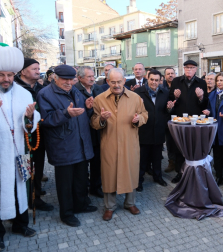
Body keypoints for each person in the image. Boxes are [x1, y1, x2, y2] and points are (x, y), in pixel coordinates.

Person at [0, 43, 39, 251]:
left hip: (19, 151)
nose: (6, 79)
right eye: (1, 75)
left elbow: (32, 121)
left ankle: (19, 225)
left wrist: (31, 116)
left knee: (21, 187)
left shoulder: (24, 94)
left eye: (10, 75)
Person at [37, 65, 97, 227]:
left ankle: (80, 205)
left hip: (81, 143)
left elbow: (81, 114)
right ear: (55, 77)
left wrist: (89, 108)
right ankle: (67, 213)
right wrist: (65, 113)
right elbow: (45, 120)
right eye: (65, 79)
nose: (69, 82)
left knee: (80, 179)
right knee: (65, 184)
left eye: (72, 79)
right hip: (62, 146)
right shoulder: (45, 94)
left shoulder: (75, 91)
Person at [91, 68, 148, 221]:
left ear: (124, 81)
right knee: (109, 175)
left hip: (130, 143)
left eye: (119, 81)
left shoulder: (135, 98)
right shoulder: (99, 99)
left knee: (130, 172)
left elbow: (144, 114)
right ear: (107, 81)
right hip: (109, 144)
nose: (116, 85)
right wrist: (102, 119)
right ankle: (110, 207)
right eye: (113, 82)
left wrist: (139, 120)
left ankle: (130, 203)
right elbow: (94, 123)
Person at [14, 58, 54, 211]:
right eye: (34, 69)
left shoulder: (41, 87)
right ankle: (23, 198)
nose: (38, 71)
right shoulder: (15, 87)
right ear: (23, 71)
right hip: (22, 137)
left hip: (39, 134)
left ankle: (35, 196)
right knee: (24, 168)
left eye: (38, 69)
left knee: (38, 166)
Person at [168, 59, 208, 183]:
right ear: (183, 69)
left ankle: (194, 172)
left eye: (191, 68)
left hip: (195, 121)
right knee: (179, 147)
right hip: (180, 120)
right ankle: (180, 173)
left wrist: (201, 97)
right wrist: (175, 97)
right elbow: (170, 101)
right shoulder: (176, 81)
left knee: (193, 146)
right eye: (186, 68)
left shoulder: (201, 82)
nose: (189, 70)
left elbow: (205, 104)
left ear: (196, 69)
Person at [135, 70, 173, 192]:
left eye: (157, 80)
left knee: (157, 158)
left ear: (160, 81)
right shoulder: (138, 93)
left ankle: (158, 177)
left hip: (158, 131)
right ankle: (138, 181)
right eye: (152, 79)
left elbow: (167, 112)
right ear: (147, 78)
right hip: (143, 131)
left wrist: (169, 109)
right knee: (142, 159)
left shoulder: (165, 92)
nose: (154, 82)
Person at [75, 66, 104, 198]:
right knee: (82, 164)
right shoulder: (75, 90)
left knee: (97, 162)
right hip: (82, 132)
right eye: (89, 76)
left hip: (97, 132)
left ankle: (95, 186)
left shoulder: (99, 89)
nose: (92, 79)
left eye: (93, 76)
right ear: (80, 78)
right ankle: (82, 188)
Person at [163, 67, 177, 173]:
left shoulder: (179, 86)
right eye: (168, 74)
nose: (170, 75)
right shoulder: (161, 87)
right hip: (166, 118)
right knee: (169, 142)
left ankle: (179, 163)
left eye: (172, 73)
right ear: (165, 76)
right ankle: (171, 162)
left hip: (179, 118)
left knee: (179, 141)